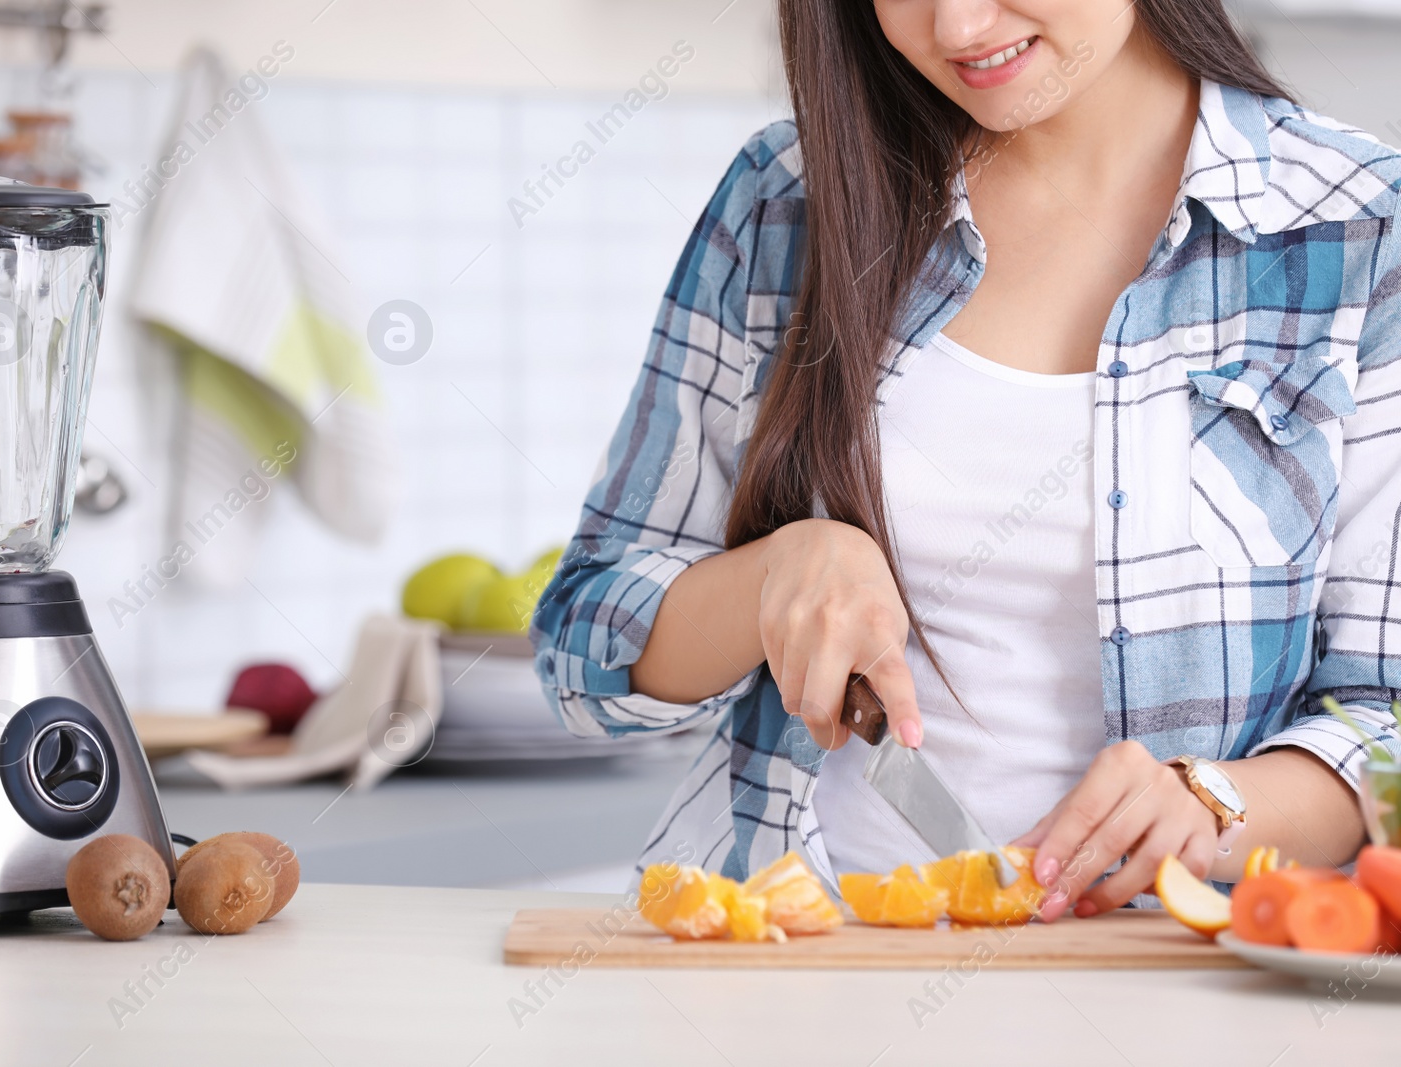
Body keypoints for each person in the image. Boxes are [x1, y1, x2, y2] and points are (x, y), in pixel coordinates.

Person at [532, 0, 1401, 920]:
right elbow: (582, 647)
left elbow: (1385, 722)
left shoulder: (1359, 232)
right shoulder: (787, 198)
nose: (955, 26)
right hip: (791, 965)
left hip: (1169, 986)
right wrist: (773, 576)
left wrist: (1210, 803)